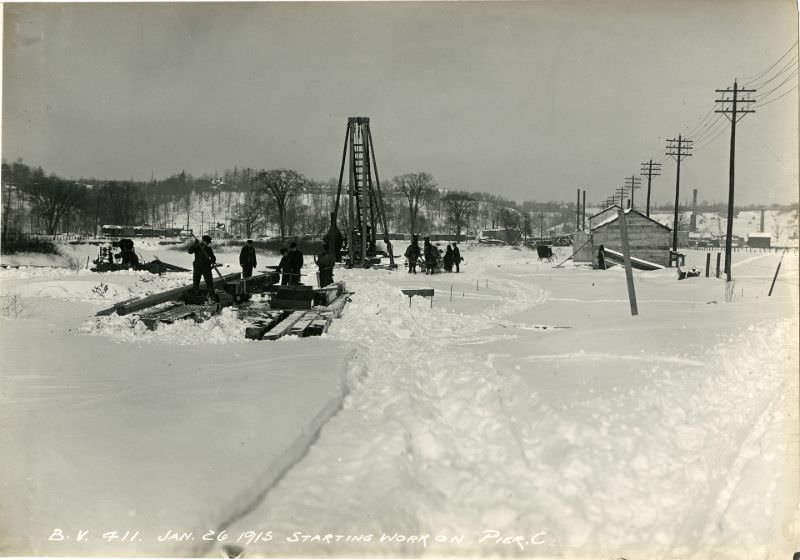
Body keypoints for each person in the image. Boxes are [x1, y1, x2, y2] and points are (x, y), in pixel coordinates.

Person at [188, 235, 219, 301]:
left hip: (206, 267)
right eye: (207, 242)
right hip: (197, 267)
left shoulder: (208, 249)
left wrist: (212, 260)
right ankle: (196, 296)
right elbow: (189, 251)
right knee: (196, 282)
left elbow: (213, 257)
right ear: (204, 241)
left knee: (209, 282)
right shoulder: (197, 247)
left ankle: (212, 296)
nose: (208, 244)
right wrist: (195, 245)